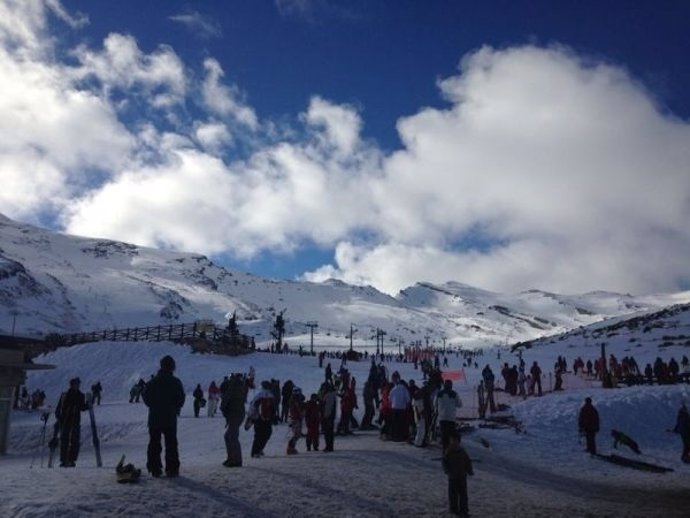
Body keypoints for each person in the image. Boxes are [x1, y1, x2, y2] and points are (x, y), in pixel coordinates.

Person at [142, 355, 186, 477]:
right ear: (172, 367)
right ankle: (172, 468)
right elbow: (181, 399)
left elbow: (146, 398)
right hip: (170, 417)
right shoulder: (175, 382)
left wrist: (154, 406)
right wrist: (174, 407)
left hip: (154, 417)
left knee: (154, 443)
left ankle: (154, 468)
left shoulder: (152, 382)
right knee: (171, 444)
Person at [55, 377, 88, 467]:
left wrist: (88, 404)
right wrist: (59, 417)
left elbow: (83, 407)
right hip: (65, 420)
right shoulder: (66, 395)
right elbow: (60, 407)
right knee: (64, 440)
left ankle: (71, 460)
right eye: (76, 384)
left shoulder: (80, 395)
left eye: (78, 384)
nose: (78, 386)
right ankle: (64, 460)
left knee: (74, 441)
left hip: (75, 421)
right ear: (72, 385)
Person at [442, 431, 474, 517]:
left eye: (456, 440)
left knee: (463, 494)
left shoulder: (462, 451)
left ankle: (464, 510)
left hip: (462, 475)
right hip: (452, 476)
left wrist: (470, 470)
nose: (454, 442)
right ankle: (453, 509)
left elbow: (467, 461)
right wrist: (447, 470)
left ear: (459, 441)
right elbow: (444, 462)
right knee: (453, 494)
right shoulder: (448, 451)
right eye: (452, 440)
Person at [220, 373, 247, 467]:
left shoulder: (233, 388)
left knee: (232, 437)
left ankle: (236, 460)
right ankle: (232, 458)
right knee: (229, 436)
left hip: (235, 414)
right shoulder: (239, 387)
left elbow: (225, 401)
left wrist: (223, 408)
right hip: (237, 414)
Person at [249, 380, 275, 458]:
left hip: (258, 418)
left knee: (259, 435)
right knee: (266, 434)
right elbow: (273, 408)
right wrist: (273, 416)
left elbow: (253, 406)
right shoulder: (270, 395)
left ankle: (256, 451)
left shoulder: (259, 395)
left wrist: (252, 416)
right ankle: (257, 451)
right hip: (266, 418)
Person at [436, 379, 462, 450]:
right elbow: (459, 404)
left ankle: (445, 452)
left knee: (444, 436)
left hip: (442, 417)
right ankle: (451, 451)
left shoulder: (439, 394)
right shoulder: (454, 394)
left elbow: (434, 403)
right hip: (451, 418)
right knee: (451, 435)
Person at [320, 382, 337, 452]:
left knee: (328, 432)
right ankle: (330, 446)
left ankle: (329, 446)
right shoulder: (332, 395)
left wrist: (325, 416)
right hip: (331, 416)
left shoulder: (329, 395)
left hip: (328, 416)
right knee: (330, 432)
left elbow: (328, 407)